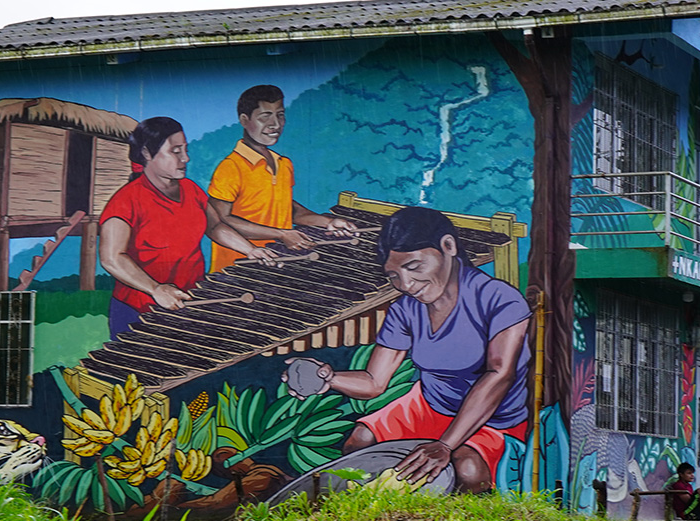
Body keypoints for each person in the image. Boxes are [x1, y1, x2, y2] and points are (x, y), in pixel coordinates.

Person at [284, 206, 530, 492]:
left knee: (468, 470)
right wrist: (328, 379)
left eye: (414, 267)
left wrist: (445, 444)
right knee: (359, 442)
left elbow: (499, 375)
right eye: (393, 276)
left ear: (448, 246)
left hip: (494, 418)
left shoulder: (500, 300)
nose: (406, 285)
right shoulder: (405, 310)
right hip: (430, 405)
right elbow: (375, 382)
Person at [96, 117, 229, 338]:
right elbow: (111, 257)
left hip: (188, 307)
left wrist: (251, 250)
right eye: (176, 151)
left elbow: (215, 227)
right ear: (148, 153)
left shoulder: (191, 190)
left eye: (185, 149)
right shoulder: (126, 201)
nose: (185, 158)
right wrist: (155, 289)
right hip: (138, 314)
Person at [206, 84, 358, 271]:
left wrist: (329, 223)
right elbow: (220, 221)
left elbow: (290, 211)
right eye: (265, 117)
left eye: (280, 115)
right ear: (244, 120)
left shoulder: (284, 164)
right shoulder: (230, 168)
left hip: (277, 263)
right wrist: (281, 234)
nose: (275, 125)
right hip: (237, 267)